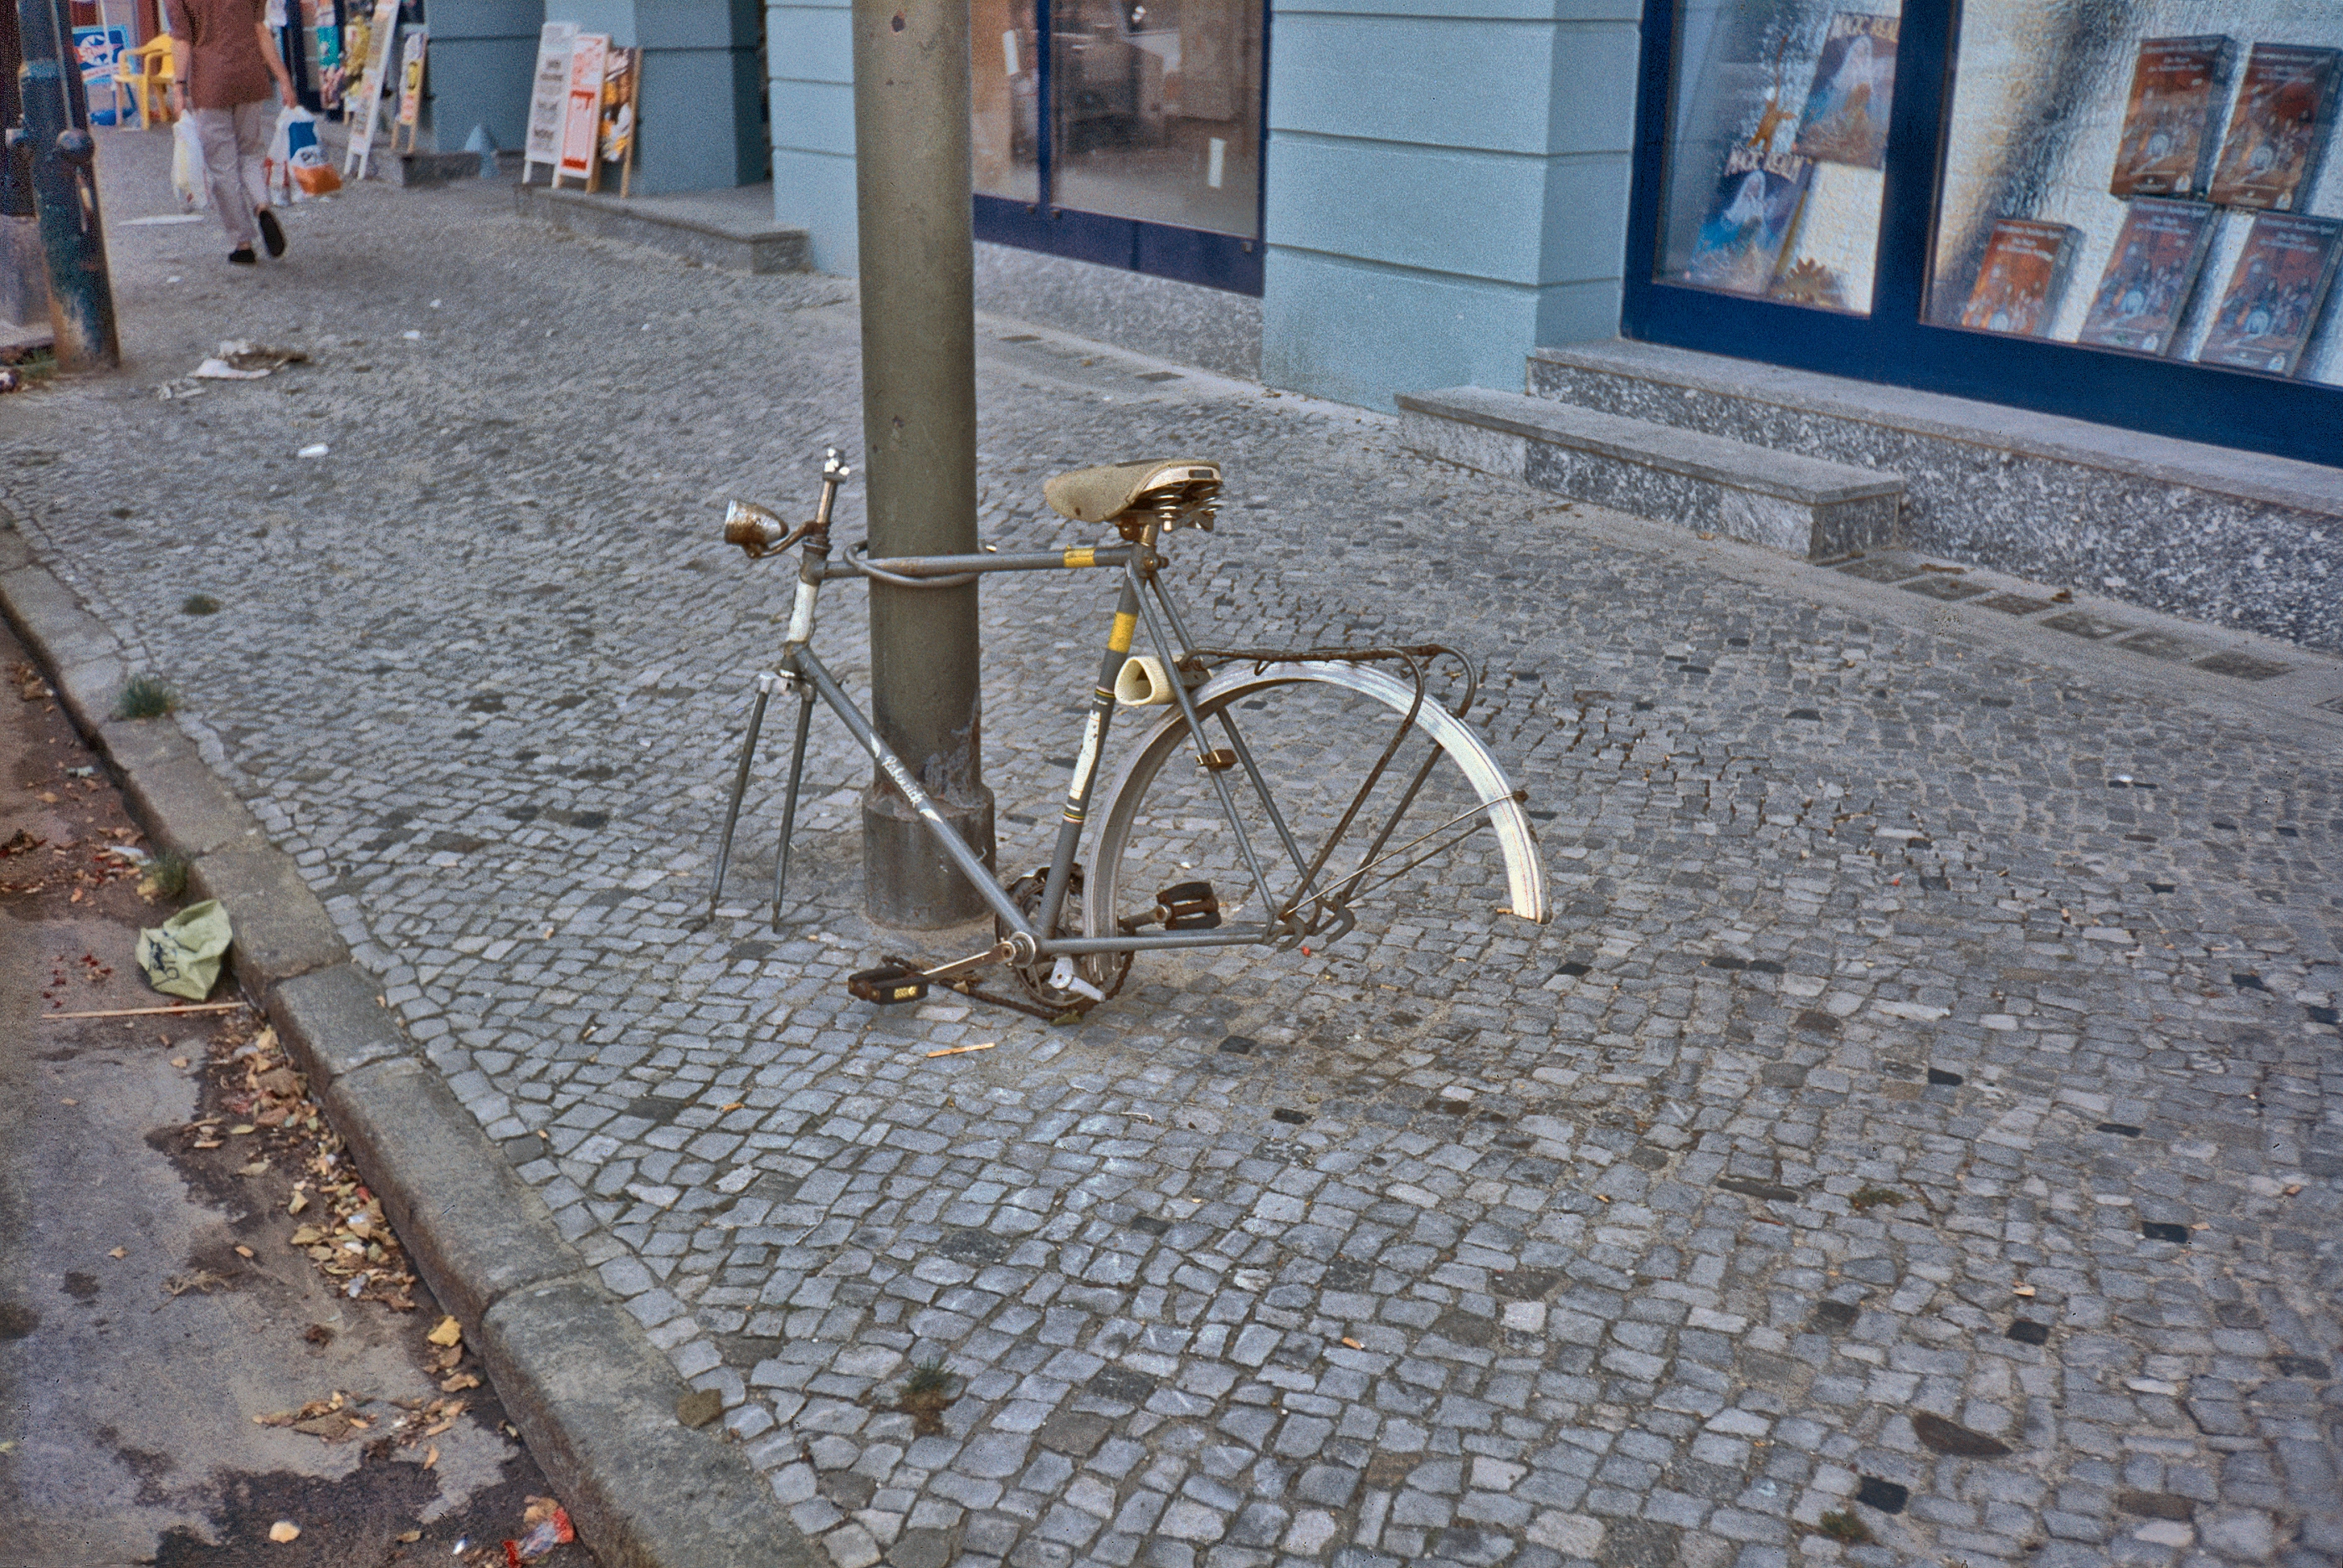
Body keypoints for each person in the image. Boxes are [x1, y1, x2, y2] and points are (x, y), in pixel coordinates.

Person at [166, 0, 297, 266]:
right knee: (250, 153)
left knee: (223, 167)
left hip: (211, 85)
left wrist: (178, 88)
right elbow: (261, 30)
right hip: (250, 79)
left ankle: (243, 243)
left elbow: (182, 42)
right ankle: (262, 206)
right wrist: (283, 79)